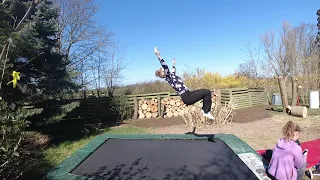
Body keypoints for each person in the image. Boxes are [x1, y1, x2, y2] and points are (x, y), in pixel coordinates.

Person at [153, 47, 214, 120]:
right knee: (207, 92)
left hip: (188, 94)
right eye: (164, 71)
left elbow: (173, 69)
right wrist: (158, 55)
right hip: (186, 97)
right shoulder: (168, 77)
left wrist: (173, 63)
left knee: (207, 92)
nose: (167, 70)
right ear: (163, 74)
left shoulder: (172, 75)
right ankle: (205, 112)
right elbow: (164, 65)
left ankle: (205, 111)